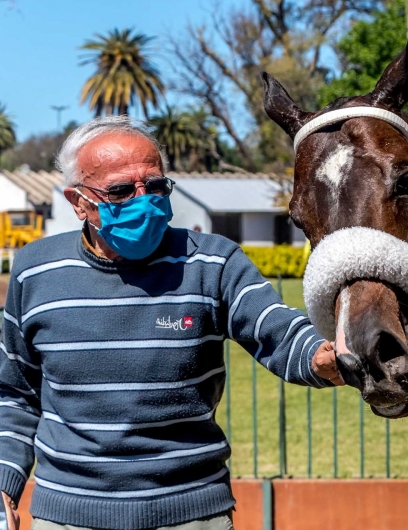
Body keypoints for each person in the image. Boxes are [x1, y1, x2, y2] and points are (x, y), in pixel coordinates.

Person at [0, 116, 342, 530]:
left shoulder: (212, 261)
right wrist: (5, 480)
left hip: (192, 512)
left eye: (156, 186)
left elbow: (277, 329)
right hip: (70, 514)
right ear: (78, 201)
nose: (143, 200)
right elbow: (14, 392)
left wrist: (321, 355)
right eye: (121, 191)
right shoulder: (35, 270)